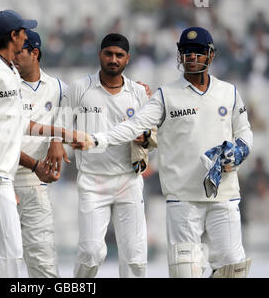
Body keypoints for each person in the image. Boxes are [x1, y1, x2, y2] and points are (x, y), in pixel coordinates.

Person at [76, 27, 253, 278]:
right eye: (187, 52)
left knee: (232, 269)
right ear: (180, 56)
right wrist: (96, 139)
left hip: (224, 196)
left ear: (210, 56)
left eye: (198, 52)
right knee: (186, 273)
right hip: (183, 200)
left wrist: (241, 149)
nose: (192, 57)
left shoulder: (229, 92)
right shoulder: (165, 95)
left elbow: (244, 132)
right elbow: (133, 126)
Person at [0, 9, 78, 278]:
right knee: (9, 254)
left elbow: (16, 123)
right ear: (13, 36)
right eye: (23, 32)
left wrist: (58, 133)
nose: (26, 36)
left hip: (3, 175)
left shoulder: (6, 70)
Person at [62, 33, 154, 278]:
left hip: (128, 179)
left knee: (134, 255)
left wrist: (143, 138)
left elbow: (153, 134)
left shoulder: (139, 93)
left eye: (119, 55)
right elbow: (60, 126)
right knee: (91, 252)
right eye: (109, 53)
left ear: (128, 59)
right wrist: (59, 146)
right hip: (92, 179)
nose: (113, 59)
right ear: (100, 54)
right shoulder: (80, 88)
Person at [12, 29, 69, 278]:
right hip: (1, 180)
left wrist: (57, 139)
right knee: (0, 259)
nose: (12, 57)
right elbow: (3, 136)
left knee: (42, 259)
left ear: (34, 53)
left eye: (18, 52)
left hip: (35, 183)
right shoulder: (6, 86)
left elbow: (90, 101)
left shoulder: (58, 88)